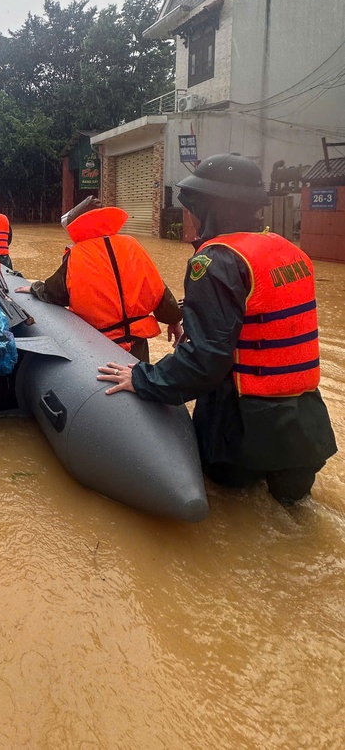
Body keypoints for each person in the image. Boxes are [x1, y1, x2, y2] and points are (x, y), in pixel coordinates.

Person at [97, 152, 338, 505]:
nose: (188, 216)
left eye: (192, 207)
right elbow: (260, 318)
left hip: (241, 429)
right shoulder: (290, 251)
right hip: (305, 427)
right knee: (294, 511)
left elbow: (204, 361)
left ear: (211, 208)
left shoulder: (216, 260)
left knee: (226, 505)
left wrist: (142, 378)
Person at [15, 196, 183, 361]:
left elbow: (55, 293)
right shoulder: (132, 244)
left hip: (99, 345)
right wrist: (174, 320)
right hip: (137, 343)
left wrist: (34, 287)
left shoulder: (77, 255)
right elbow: (158, 288)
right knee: (137, 384)